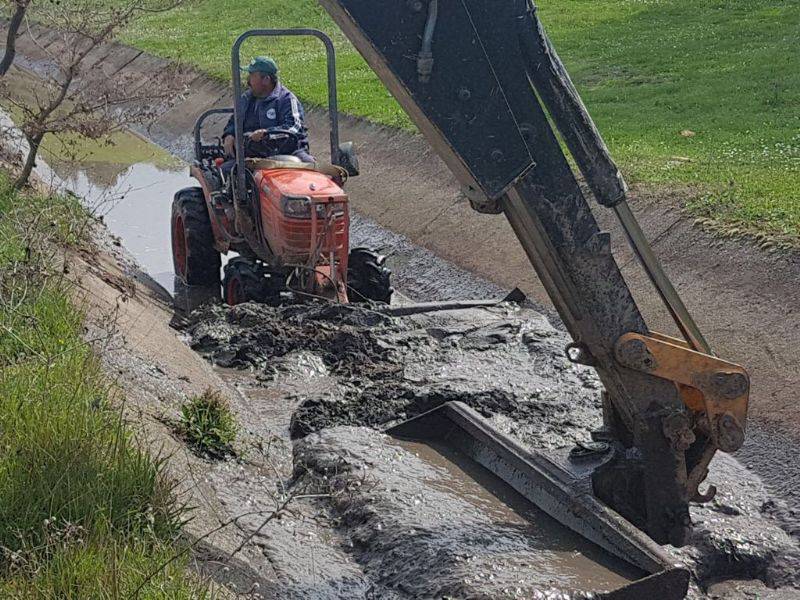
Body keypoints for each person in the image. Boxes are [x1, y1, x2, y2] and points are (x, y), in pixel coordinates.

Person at [221, 56, 314, 166]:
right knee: (226, 170)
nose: (248, 81)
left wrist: (266, 133)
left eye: (252, 75)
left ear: (266, 79)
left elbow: (294, 128)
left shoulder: (287, 99)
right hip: (253, 154)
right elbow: (234, 122)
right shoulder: (246, 98)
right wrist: (229, 134)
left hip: (290, 153)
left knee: (312, 168)